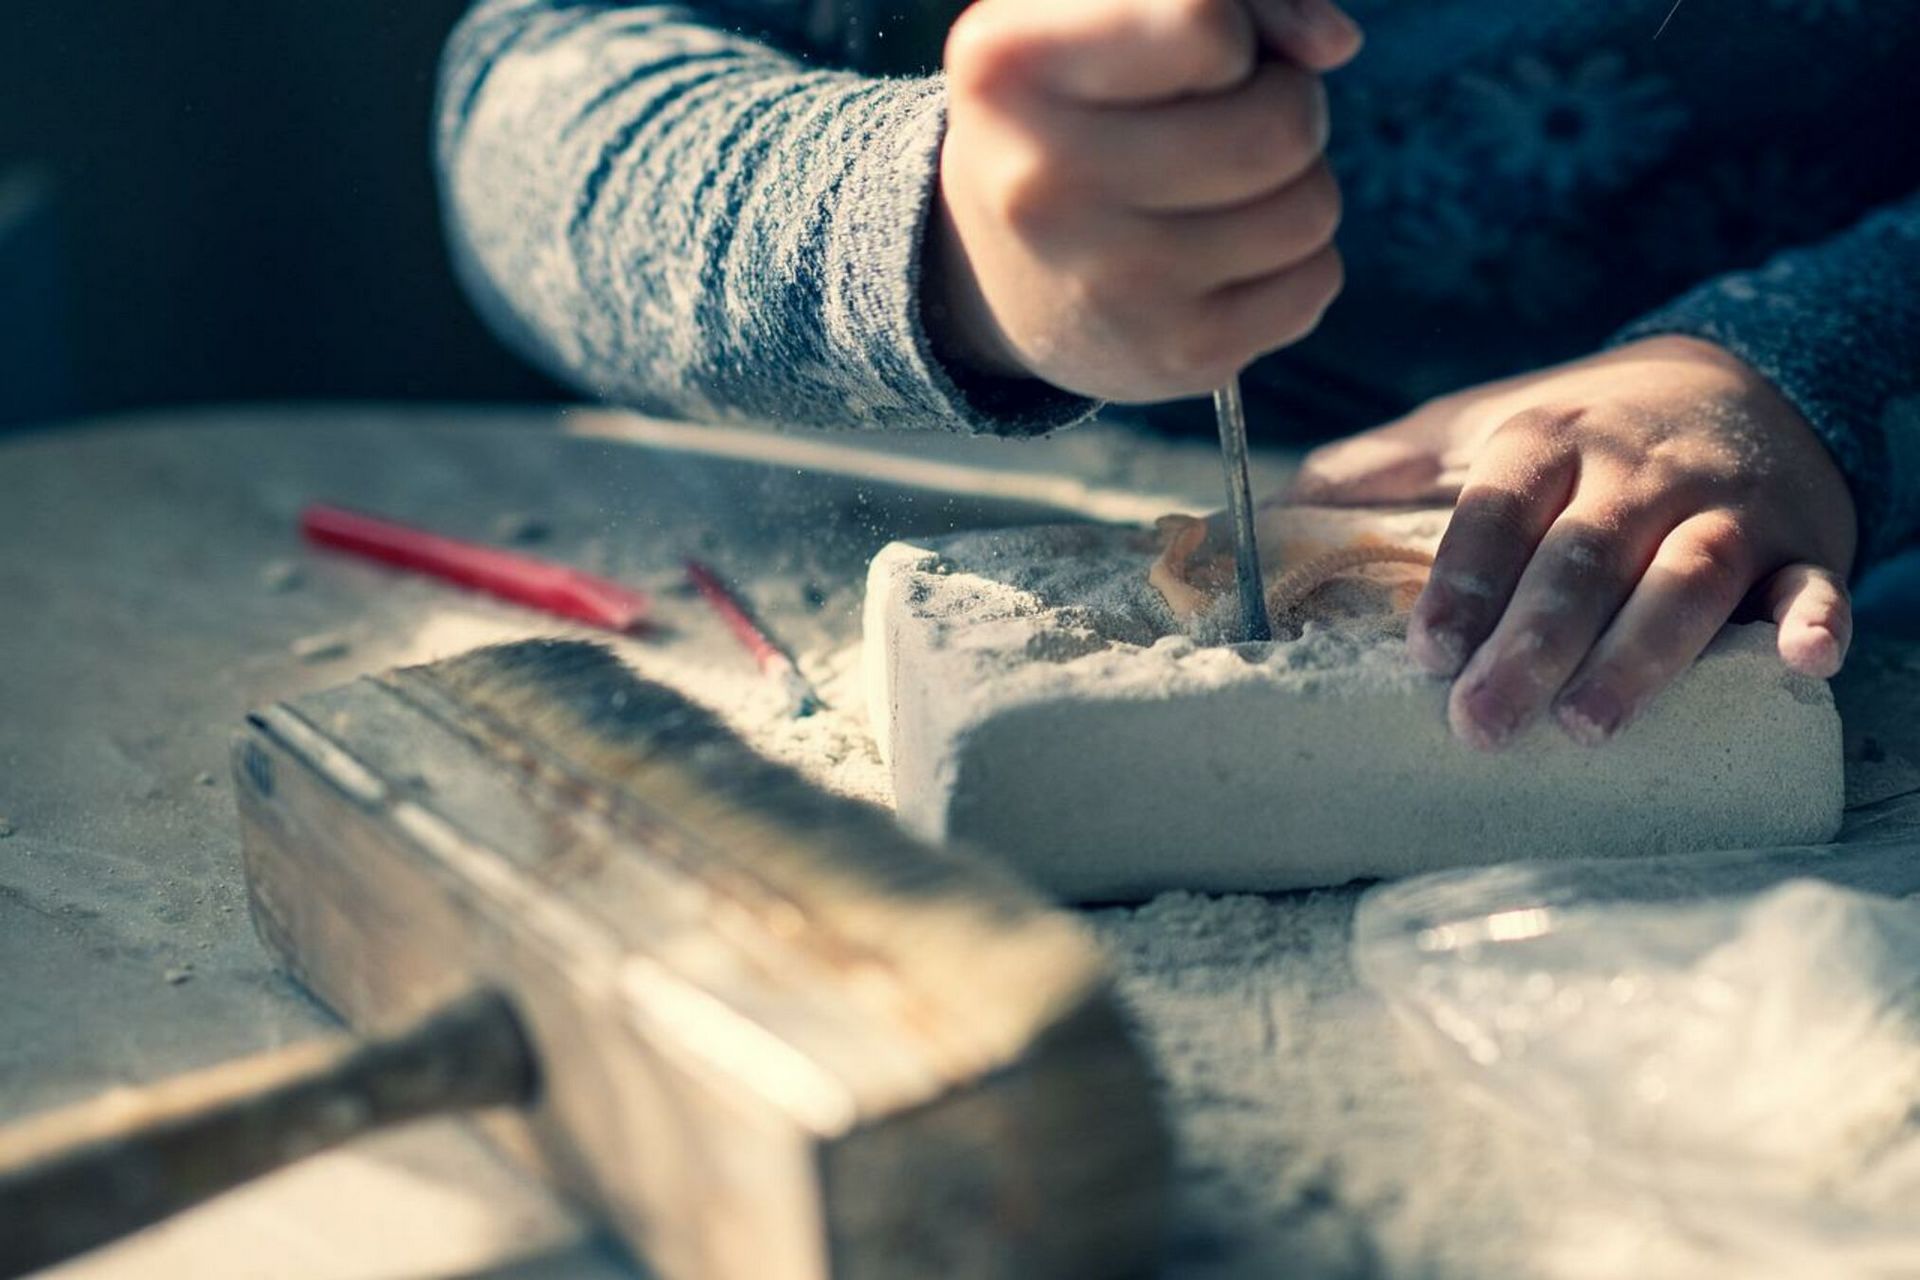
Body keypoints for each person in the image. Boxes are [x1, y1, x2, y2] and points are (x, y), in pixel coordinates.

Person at [435, 0, 1920, 750]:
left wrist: (1825, 357)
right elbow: (532, 106)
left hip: (1827, 558)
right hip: (1071, 471)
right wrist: (932, 235)